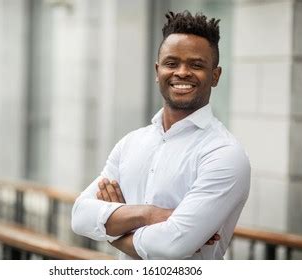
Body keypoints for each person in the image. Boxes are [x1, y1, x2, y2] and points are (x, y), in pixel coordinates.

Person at [72, 11, 250, 260]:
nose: (182, 72)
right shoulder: (131, 143)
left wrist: (110, 229)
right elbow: (80, 216)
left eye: (196, 65)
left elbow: (171, 246)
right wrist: (149, 214)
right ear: (158, 71)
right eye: (171, 63)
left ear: (216, 75)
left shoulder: (224, 154)